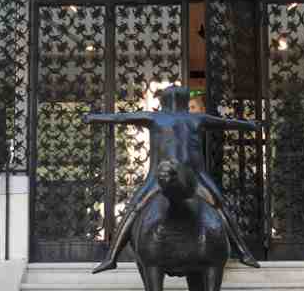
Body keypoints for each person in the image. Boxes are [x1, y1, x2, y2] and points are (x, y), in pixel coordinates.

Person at [85, 84, 261, 274]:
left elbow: (121, 117)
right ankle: (244, 252)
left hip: (188, 177)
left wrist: (94, 117)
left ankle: (111, 257)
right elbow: (226, 123)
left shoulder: (159, 117)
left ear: (163, 101)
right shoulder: (193, 118)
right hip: (176, 176)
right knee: (221, 207)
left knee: (133, 209)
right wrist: (249, 125)